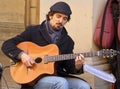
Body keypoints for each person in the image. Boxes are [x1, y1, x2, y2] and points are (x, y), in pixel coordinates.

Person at [1, 1, 91, 89]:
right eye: (58, 16)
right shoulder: (33, 31)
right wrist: (22, 55)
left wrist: (77, 65)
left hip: (57, 75)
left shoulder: (68, 41)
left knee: (84, 86)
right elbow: (7, 45)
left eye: (65, 18)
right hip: (34, 79)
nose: (61, 21)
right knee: (61, 83)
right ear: (50, 16)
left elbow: (68, 67)